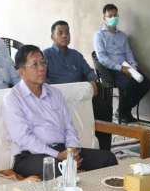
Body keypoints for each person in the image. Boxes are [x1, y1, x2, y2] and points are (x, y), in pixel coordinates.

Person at [3, 45, 117, 178]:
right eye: (35, 64)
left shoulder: (55, 93)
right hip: (30, 156)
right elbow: (24, 138)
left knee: (108, 158)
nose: (41, 68)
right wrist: (57, 155)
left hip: (62, 150)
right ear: (21, 71)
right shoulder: (13, 98)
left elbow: (69, 127)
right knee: (59, 169)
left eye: (43, 63)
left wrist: (71, 151)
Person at [44, 20, 112, 150]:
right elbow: (42, 78)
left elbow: (89, 72)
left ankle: (104, 147)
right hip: (59, 96)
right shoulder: (46, 55)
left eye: (67, 32)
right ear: (52, 37)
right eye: (60, 33)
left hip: (80, 96)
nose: (65, 35)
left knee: (103, 102)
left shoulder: (76, 55)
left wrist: (92, 81)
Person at [92, 4, 150, 124]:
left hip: (127, 67)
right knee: (130, 84)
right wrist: (120, 68)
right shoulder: (99, 35)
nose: (113, 18)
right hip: (111, 70)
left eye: (115, 15)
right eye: (110, 16)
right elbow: (102, 58)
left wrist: (133, 67)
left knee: (146, 83)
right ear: (104, 18)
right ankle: (124, 113)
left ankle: (123, 110)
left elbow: (128, 53)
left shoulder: (122, 36)